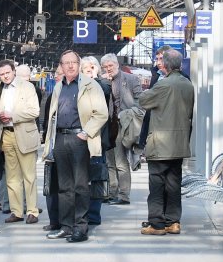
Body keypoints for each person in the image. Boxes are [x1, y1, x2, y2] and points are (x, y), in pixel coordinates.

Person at [42, 50, 108, 243]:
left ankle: (80, 228)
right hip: (60, 138)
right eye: (66, 63)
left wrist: (86, 133)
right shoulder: (58, 86)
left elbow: (101, 113)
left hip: (80, 140)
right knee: (64, 187)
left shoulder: (90, 85)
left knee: (80, 185)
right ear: (61, 66)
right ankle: (66, 226)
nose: (70, 66)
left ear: (79, 65)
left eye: (73, 62)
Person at [138, 49, 194, 236]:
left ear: (167, 65)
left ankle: (156, 224)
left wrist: (153, 81)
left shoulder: (164, 85)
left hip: (161, 144)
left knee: (156, 184)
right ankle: (173, 222)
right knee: (173, 184)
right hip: (179, 143)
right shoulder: (187, 84)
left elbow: (143, 101)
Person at [0, 59, 41, 224]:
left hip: (24, 135)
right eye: (2, 74)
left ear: (14, 71)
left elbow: (34, 111)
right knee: (12, 176)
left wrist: (12, 116)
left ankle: (32, 211)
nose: (5, 76)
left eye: (8, 72)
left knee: (29, 175)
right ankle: (16, 211)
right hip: (6, 135)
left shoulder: (27, 87)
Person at [100, 53, 142, 205]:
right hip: (106, 125)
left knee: (120, 162)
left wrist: (128, 115)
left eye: (110, 65)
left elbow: (140, 101)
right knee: (109, 161)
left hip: (122, 124)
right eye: (105, 67)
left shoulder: (131, 79)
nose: (108, 69)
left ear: (117, 65)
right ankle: (112, 192)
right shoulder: (101, 82)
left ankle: (124, 195)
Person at [80, 55, 112, 226]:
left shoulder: (103, 84)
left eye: (93, 67)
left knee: (96, 177)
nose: (89, 70)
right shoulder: (77, 86)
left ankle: (94, 214)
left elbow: (106, 91)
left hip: (98, 139)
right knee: (81, 177)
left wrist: (94, 77)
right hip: (79, 138)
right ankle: (81, 212)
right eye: (86, 68)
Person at [41, 65, 63, 231]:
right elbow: (47, 122)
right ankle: (54, 220)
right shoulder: (51, 95)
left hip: (69, 143)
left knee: (67, 186)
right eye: (56, 73)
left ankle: (66, 220)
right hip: (53, 145)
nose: (56, 76)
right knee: (50, 185)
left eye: (60, 73)